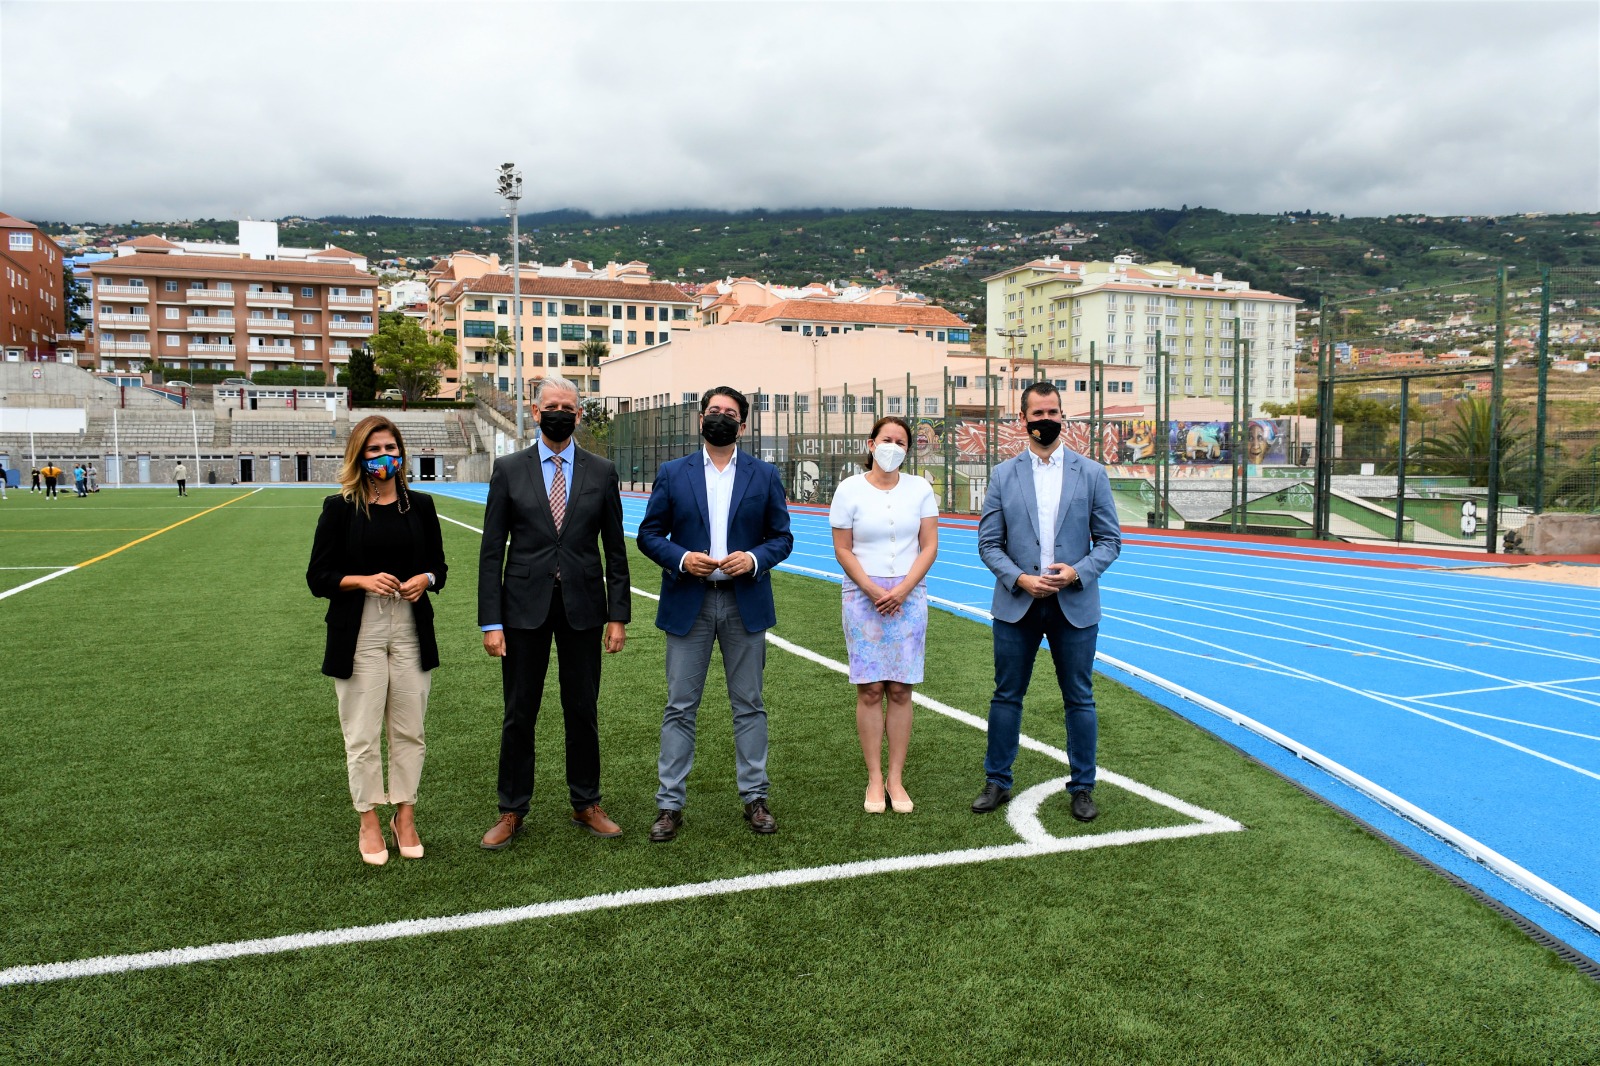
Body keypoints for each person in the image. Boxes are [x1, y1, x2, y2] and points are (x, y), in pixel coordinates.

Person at [478, 375, 630, 849]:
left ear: (579, 415)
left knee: (582, 709)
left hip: (584, 609)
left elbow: (615, 549)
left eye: (569, 405)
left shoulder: (602, 471)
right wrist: (491, 620)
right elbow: (491, 551)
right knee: (519, 712)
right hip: (522, 611)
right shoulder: (508, 469)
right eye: (552, 405)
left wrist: (618, 615)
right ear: (535, 411)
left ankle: (586, 803)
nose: (561, 411)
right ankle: (511, 809)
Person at [636, 386, 794, 842]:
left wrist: (756, 558)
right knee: (680, 706)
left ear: (743, 425)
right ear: (699, 420)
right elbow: (649, 535)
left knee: (749, 705)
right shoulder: (673, 472)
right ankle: (669, 805)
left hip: (745, 601)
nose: (720, 418)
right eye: (713, 411)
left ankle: (755, 798)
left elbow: (781, 537)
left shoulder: (764, 475)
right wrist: (683, 558)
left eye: (729, 413)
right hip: (691, 601)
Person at [973, 382, 1121, 822]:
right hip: (1017, 603)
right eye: (1036, 413)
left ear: (1063, 416)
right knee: (1006, 695)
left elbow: (1110, 541)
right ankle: (997, 780)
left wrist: (1077, 572)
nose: (1045, 420)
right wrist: (1019, 578)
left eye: (1052, 412)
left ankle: (1083, 786)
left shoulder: (1091, 473)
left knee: (1079, 697)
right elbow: (988, 543)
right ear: (1023, 420)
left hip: (1073, 605)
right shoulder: (1003, 475)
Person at [307, 415, 447, 866]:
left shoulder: (420, 506)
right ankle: (368, 818)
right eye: (373, 450)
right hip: (359, 630)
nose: (383, 457)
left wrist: (424, 579)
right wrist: (362, 580)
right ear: (358, 455)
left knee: (410, 728)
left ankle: (404, 816)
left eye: (390, 448)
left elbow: (439, 568)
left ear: (401, 453)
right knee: (362, 733)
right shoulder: (339, 508)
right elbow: (318, 577)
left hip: (409, 627)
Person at [829, 415, 939, 814]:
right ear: (871, 444)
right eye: (886, 439)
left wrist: (903, 589)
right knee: (871, 689)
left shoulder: (921, 489)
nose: (893, 446)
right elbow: (843, 548)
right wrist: (874, 590)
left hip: (909, 594)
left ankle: (896, 777)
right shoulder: (849, 489)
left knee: (901, 689)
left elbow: (929, 545)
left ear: (908, 449)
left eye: (901, 441)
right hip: (863, 596)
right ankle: (874, 778)